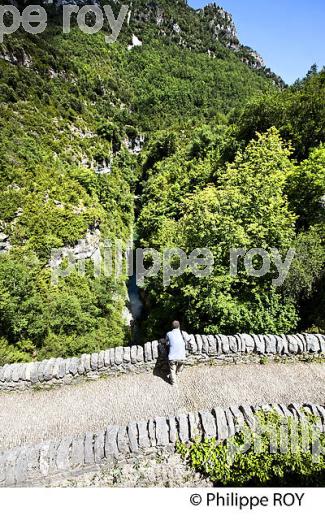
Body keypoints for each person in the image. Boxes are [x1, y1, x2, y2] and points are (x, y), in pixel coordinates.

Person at [165, 320, 192, 386]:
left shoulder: (168, 334)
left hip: (172, 357)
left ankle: (174, 383)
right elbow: (190, 341)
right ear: (179, 326)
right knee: (180, 365)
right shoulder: (183, 333)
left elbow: (167, 343)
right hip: (182, 357)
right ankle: (178, 374)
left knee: (172, 370)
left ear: (172, 326)